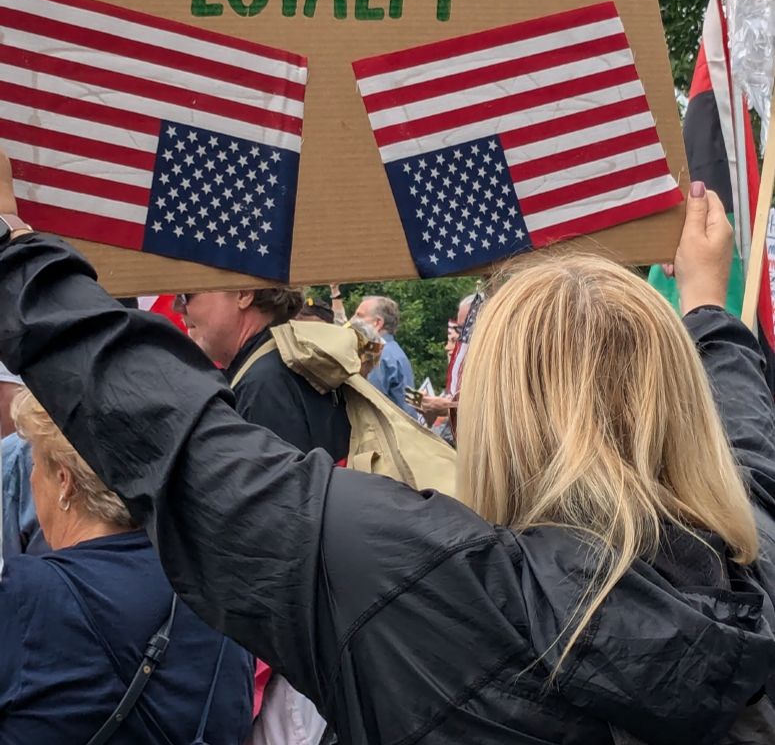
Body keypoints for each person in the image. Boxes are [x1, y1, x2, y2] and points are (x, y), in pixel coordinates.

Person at [1, 155, 774, 742]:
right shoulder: (753, 569)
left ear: (500, 412)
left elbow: (186, 444)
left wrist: (17, 252)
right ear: (682, 403)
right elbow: (746, 449)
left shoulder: (433, 584)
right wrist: (704, 307)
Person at [0, 387, 254, 744]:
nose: (29, 479)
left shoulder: (22, 598)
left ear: (64, 481)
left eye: (36, 464)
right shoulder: (221, 592)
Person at [174, 288, 350, 461]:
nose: (178, 307)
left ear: (243, 294)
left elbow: (280, 487)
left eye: (186, 295)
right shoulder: (279, 363)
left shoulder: (263, 383)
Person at [352, 295, 418, 418]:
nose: (352, 321)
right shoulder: (397, 353)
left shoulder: (376, 354)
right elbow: (409, 401)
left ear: (377, 323)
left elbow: (368, 401)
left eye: (359, 316)